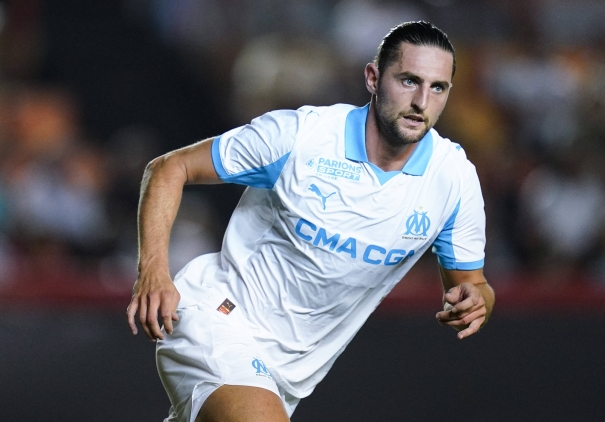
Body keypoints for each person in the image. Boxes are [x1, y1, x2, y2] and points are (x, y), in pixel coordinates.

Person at [127, 21, 494, 422]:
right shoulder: (300, 136)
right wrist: (154, 271)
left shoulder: (454, 180)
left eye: (437, 88)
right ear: (373, 78)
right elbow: (170, 167)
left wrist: (476, 302)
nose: (421, 101)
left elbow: (472, 285)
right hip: (219, 317)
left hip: (290, 376)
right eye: (409, 81)